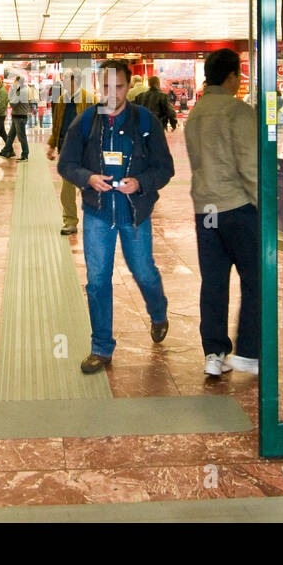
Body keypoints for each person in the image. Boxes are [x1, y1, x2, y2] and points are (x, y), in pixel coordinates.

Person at [58, 58, 174, 374]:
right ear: (98, 85)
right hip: (97, 213)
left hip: (134, 213)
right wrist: (87, 177)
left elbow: (165, 168)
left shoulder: (146, 121)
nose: (112, 93)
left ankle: (158, 310)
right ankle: (101, 348)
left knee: (144, 271)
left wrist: (141, 183)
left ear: (129, 84)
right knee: (97, 281)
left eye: (119, 86)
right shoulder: (85, 121)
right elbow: (65, 164)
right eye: (106, 86)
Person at [183, 48, 259, 376]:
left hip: (206, 210)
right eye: (238, 75)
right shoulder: (237, 111)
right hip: (237, 208)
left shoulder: (195, 113)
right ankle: (248, 351)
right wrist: (265, 204)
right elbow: (250, 164)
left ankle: (213, 354)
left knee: (213, 281)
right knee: (256, 279)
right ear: (231, 77)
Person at [46, 69, 93, 236]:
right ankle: (70, 222)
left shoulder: (90, 99)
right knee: (67, 190)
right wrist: (52, 145)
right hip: (67, 151)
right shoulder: (61, 100)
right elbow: (57, 124)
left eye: (66, 79)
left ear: (76, 81)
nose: (64, 82)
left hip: (85, 152)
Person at [0, 74, 30, 160]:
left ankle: (25, 155)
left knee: (21, 137)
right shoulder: (22, 90)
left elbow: (13, 103)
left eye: (15, 81)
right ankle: (5, 151)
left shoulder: (21, 91)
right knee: (11, 135)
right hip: (18, 116)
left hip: (19, 117)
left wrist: (10, 95)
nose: (14, 83)